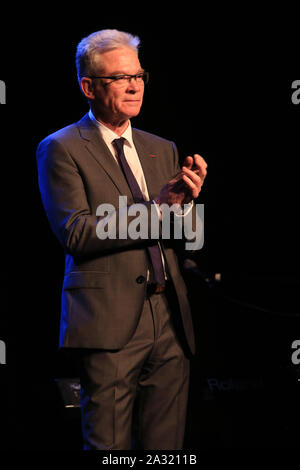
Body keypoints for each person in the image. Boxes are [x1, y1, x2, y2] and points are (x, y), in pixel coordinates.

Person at [36, 29, 207, 450]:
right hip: (109, 320)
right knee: (109, 445)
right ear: (88, 87)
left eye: (139, 75)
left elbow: (185, 235)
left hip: (168, 316)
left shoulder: (160, 147)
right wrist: (156, 209)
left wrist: (184, 209)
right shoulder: (61, 148)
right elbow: (76, 232)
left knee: (165, 448)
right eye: (118, 78)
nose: (133, 86)